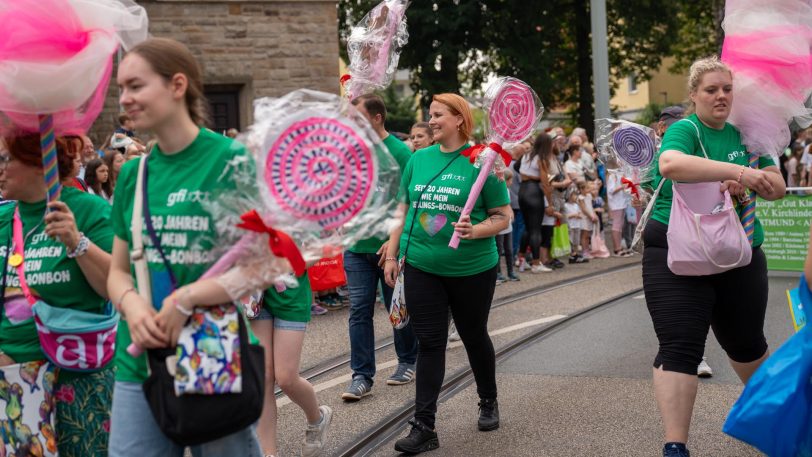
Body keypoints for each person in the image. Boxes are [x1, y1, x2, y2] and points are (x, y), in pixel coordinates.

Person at [106, 37, 262, 456]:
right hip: (139, 360)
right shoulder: (132, 174)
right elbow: (118, 271)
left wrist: (187, 298)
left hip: (211, 347)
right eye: (121, 88)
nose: (125, 99)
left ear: (177, 85)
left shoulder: (231, 160)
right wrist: (132, 306)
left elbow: (262, 264)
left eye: (136, 86)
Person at [643, 56, 785, 457]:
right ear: (694, 95)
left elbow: (775, 186)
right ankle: (676, 446)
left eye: (727, 89)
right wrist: (737, 174)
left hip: (739, 252)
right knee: (680, 346)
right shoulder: (686, 129)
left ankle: (777, 424)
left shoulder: (750, 134)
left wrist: (757, 176)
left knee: (747, 343)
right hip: (677, 253)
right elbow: (670, 164)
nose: (721, 96)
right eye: (711, 90)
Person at [384, 93, 511, 455]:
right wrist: (392, 255)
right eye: (431, 114)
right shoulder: (418, 159)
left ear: (459, 119)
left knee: (473, 335)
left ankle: (488, 399)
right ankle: (424, 425)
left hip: (472, 268)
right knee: (430, 342)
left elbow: (504, 216)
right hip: (423, 266)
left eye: (438, 115)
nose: (431, 120)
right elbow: (403, 209)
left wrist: (478, 229)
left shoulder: (482, 162)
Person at [0, 133, 115, 456]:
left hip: (77, 380)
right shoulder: (5, 219)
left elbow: (116, 287)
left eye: (5, 159)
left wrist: (77, 242)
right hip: (13, 384)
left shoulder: (86, 209)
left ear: (40, 163)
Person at [341, 94, 418, 402]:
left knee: (396, 308)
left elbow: (411, 200)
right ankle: (361, 375)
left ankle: (407, 359)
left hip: (389, 246)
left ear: (376, 118)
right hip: (357, 245)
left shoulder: (401, 152)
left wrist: (396, 242)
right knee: (358, 310)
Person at [251, 275, 333, 457]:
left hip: (290, 295)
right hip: (256, 295)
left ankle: (316, 419)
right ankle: (269, 453)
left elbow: (314, 254)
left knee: (286, 378)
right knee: (263, 376)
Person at [518, 133, 553, 273]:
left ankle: (520, 258)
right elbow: (545, 184)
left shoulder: (527, 155)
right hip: (534, 193)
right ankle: (536, 263)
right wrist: (549, 204)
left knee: (527, 227)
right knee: (535, 229)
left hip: (523, 191)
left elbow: (519, 170)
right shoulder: (541, 159)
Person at [495, 167, 517, 283]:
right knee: (499, 249)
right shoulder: (499, 190)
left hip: (508, 224)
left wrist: (511, 213)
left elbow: (508, 205)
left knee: (509, 249)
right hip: (500, 223)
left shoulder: (507, 191)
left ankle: (510, 271)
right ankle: (498, 272)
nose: (511, 183)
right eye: (510, 180)